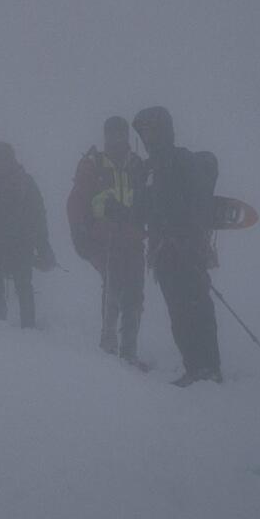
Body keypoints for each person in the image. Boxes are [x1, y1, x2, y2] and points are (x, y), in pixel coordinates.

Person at [132, 106, 221, 386]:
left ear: (165, 129)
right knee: (179, 311)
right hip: (164, 253)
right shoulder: (151, 169)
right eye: (144, 130)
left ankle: (208, 368)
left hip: (186, 249)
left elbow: (199, 203)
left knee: (196, 307)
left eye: (152, 129)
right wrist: (119, 211)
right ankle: (196, 367)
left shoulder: (182, 160)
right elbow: (144, 211)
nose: (148, 136)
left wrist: (187, 234)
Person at [67, 115, 147, 363]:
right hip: (104, 239)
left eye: (120, 133)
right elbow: (77, 201)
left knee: (134, 293)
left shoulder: (138, 165)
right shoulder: (93, 164)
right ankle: (109, 344)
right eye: (111, 134)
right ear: (105, 136)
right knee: (113, 286)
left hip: (133, 238)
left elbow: (149, 200)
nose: (115, 139)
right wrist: (81, 233)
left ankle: (129, 350)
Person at [0, 141, 55, 328]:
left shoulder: (22, 182)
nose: (0, 163)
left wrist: (43, 245)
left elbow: (38, 215)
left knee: (22, 285)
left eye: (4, 158)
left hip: (19, 241)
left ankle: (27, 326)